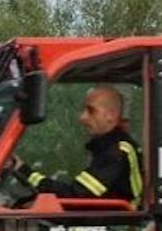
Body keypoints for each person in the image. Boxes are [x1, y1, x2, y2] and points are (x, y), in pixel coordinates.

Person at [12, 85, 143, 205]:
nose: (82, 117)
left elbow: (76, 196)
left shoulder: (116, 152)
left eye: (91, 111)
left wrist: (24, 172)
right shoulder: (109, 147)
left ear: (110, 115)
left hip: (118, 228)